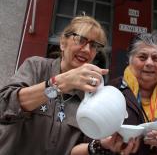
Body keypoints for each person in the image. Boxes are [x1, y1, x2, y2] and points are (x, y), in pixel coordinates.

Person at [71, 33, 157, 155]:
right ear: (130, 60)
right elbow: (89, 138)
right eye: (142, 57)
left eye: (156, 58)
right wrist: (108, 145)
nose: (149, 63)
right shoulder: (111, 91)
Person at [0, 15, 109, 155]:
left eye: (94, 45)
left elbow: (75, 149)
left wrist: (101, 144)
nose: (87, 50)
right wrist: (61, 84)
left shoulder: (90, 93)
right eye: (81, 40)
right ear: (63, 43)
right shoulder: (37, 67)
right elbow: (4, 106)